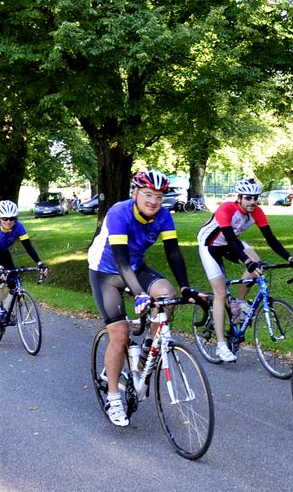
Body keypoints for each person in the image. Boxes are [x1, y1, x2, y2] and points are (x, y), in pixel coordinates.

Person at [88, 169, 206, 427]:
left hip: (135, 267)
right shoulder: (119, 213)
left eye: (159, 196)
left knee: (167, 294)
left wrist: (186, 288)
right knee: (118, 335)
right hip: (106, 272)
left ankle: (147, 350)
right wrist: (139, 293)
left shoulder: (163, 215)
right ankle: (114, 397)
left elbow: (173, 253)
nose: (153, 201)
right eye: (147, 194)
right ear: (135, 193)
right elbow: (120, 260)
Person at [197, 178, 293, 362]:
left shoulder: (257, 212)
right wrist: (246, 262)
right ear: (239, 198)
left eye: (256, 198)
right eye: (248, 198)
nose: (253, 202)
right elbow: (230, 238)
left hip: (231, 243)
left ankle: (238, 303)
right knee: (221, 292)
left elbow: (271, 239)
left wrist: (290, 257)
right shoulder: (227, 209)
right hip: (211, 245)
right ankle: (221, 346)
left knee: (257, 261)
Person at [0, 200, 48, 324]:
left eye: (12, 218)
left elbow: (28, 247)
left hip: (2, 251)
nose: (8, 221)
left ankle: (7, 309)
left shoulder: (19, 226)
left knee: (13, 281)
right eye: (5, 218)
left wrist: (39, 263)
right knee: (0, 278)